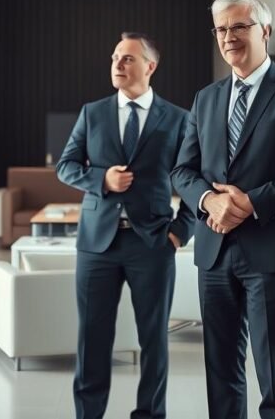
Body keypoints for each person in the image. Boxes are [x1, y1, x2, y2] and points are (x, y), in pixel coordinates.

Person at [172, 0, 275, 419]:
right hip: (214, 252)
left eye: (239, 26)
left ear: (265, 31)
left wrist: (251, 202)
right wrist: (210, 200)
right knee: (221, 373)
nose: (229, 36)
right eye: (221, 29)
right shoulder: (206, 98)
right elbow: (182, 171)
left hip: (271, 252)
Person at [57, 32, 196, 419]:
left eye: (128, 58)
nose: (118, 63)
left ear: (150, 66)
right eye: (115, 57)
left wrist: (180, 232)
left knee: (154, 339)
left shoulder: (178, 118)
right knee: (92, 339)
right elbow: (66, 166)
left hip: (153, 243)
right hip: (96, 244)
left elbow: (193, 179)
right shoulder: (93, 113)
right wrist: (101, 179)